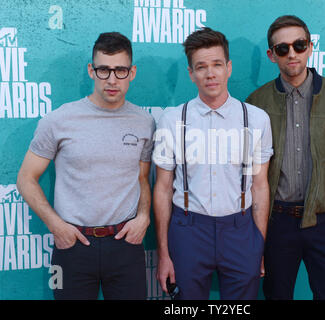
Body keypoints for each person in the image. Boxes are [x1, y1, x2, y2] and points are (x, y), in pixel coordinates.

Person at [16, 32, 155, 300]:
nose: (112, 79)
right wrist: (56, 225)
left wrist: (144, 217)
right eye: (104, 70)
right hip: (72, 246)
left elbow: (142, 177)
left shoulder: (144, 122)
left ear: (132, 72)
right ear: (91, 71)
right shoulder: (58, 120)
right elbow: (26, 178)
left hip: (126, 244)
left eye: (120, 70)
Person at [246, 15, 325, 300]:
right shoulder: (257, 102)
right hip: (276, 223)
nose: (292, 53)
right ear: (271, 55)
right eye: (282, 48)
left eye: (299, 45)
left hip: (324, 221)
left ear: (310, 47)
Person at [152, 27, 273, 300]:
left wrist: (259, 247)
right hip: (188, 230)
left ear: (228, 68)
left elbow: (260, 186)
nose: (210, 73)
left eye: (217, 64)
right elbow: (162, 188)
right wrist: (164, 253)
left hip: (241, 231)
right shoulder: (172, 120)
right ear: (191, 73)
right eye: (201, 67)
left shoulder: (256, 119)